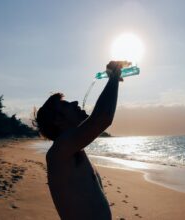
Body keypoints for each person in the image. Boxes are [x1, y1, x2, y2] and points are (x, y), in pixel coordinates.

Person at [35, 61, 130, 220]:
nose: (75, 103)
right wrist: (113, 78)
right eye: (66, 105)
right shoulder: (59, 152)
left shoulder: (73, 150)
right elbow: (101, 119)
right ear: (58, 120)